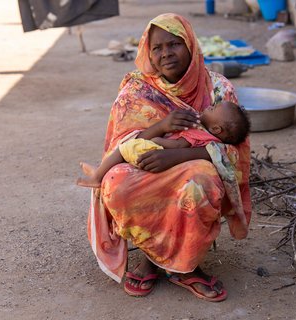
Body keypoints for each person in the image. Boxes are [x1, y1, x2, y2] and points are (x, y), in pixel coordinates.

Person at [86, 13, 251, 302]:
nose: (166, 53)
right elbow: (121, 143)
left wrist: (176, 157)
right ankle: (150, 256)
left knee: (202, 181)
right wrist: (159, 128)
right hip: (143, 164)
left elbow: (235, 152)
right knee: (115, 183)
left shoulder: (219, 89)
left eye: (174, 44)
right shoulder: (136, 89)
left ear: (190, 45)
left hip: (189, 169)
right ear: (147, 52)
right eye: (157, 47)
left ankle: (186, 266)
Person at [77, 101, 250, 188]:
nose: (208, 107)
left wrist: (158, 140)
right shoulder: (208, 138)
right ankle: (101, 171)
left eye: (212, 109)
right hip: (159, 155)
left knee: (125, 148)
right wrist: (162, 126)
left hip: (159, 153)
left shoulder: (200, 134)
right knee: (127, 149)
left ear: (216, 128)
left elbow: (178, 146)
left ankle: (97, 177)